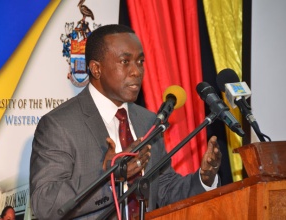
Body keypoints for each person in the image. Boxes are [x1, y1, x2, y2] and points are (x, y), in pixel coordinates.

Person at [30, 24, 222, 220]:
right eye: (125, 61)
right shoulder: (59, 125)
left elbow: (164, 188)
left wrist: (205, 178)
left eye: (140, 61)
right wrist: (111, 177)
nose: (137, 71)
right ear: (96, 69)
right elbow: (45, 204)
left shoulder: (148, 121)